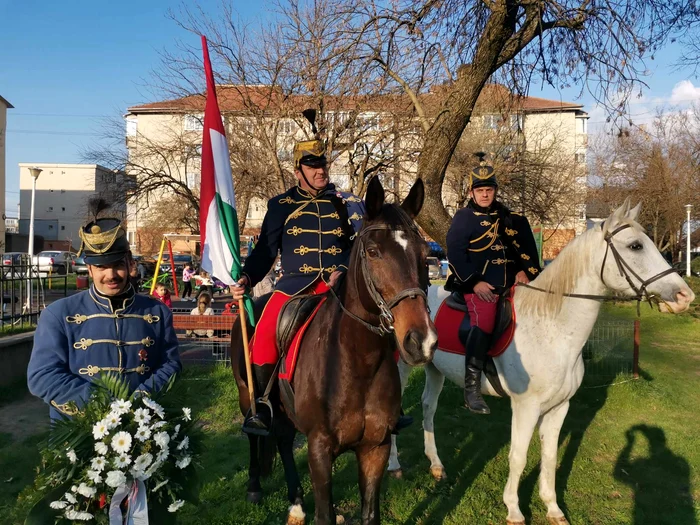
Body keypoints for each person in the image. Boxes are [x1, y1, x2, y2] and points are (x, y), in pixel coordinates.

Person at [231, 116, 366, 433]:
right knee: (264, 333)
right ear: (298, 171)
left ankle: (387, 401)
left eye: (323, 164)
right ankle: (263, 405)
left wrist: (343, 269)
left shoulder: (346, 203)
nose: (321, 170)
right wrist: (247, 278)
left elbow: (359, 245)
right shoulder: (280, 205)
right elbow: (265, 250)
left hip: (340, 286)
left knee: (379, 325)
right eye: (312, 165)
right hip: (295, 287)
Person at [27, 217, 182, 420]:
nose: (111, 275)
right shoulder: (58, 314)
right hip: (81, 431)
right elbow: (43, 376)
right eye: (101, 267)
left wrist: (142, 399)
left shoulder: (158, 312)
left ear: (129, 263)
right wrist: (102, 406)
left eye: (117, 265)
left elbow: (171, 364)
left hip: (143, 428)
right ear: (89, 269)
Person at [446, 153, 542, 415]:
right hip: (477, 286)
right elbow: (454, 253)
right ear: (471, 192)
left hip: (509, 284)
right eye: (480, 190)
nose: (485, 195)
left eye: (489, 190)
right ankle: (471, 389)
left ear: (495, 191)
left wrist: (525, 271)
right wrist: (475, 283)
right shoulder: (464, 218)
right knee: (485, 321)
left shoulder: (507, 218)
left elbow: (521, 248)